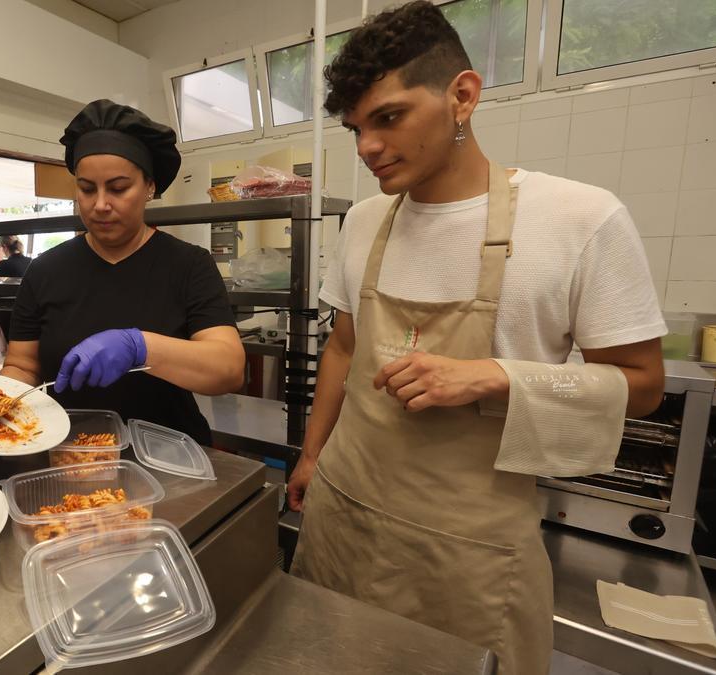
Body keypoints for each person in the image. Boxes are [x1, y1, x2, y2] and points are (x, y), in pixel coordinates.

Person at [285, 3, 666, 674]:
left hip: (466, 550)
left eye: (389, 117)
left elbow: (643, 385)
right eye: (355, 128)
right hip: (343, 513)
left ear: (462, 95)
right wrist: (312, 455)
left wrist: (496, 376)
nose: (366, 147)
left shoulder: (580, 218)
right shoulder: (366, 221)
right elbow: (343, 345)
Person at [0, 100, 245, 444]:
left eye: (118, 188)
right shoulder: (45, 270)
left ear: (149, 186)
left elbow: (229, 370)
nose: (100, 204)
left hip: (168, 454)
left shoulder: (189, 265)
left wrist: (140, 346)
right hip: (69, 452)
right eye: (87, 189)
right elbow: (25, 367)